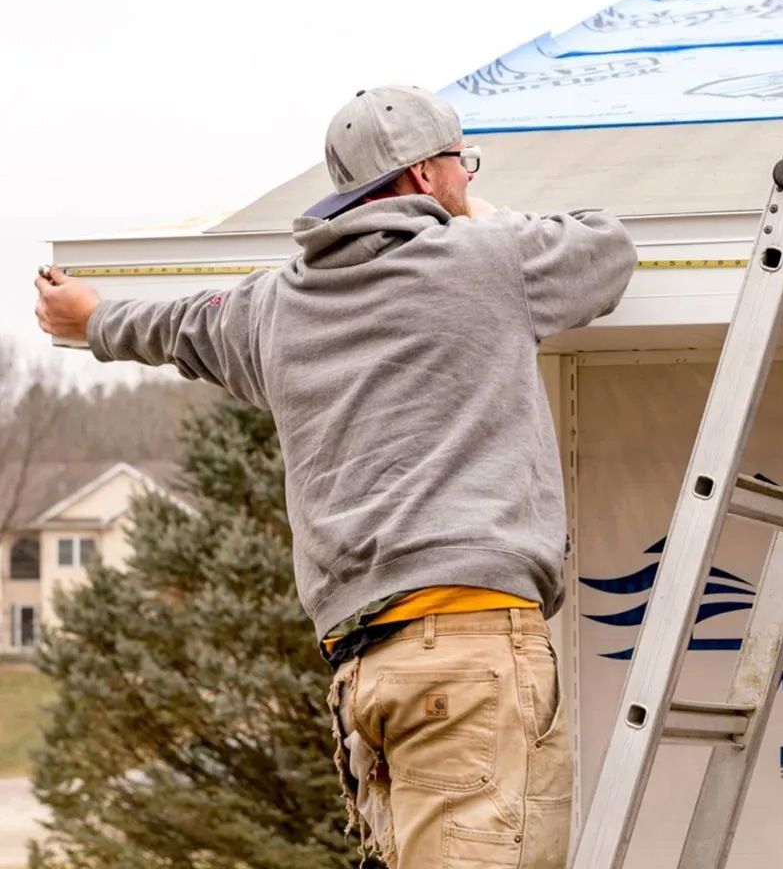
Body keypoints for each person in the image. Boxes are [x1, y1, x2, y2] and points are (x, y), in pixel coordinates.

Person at [35, 85, 637, 868]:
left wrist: (92, 321)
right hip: (472, 650)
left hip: (366, 674)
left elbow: (179, 325)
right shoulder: (485, 260)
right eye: (463, 164)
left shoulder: (274, 308)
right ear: (428, 176)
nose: (467, 178)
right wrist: (479, 213)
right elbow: (607, 248)